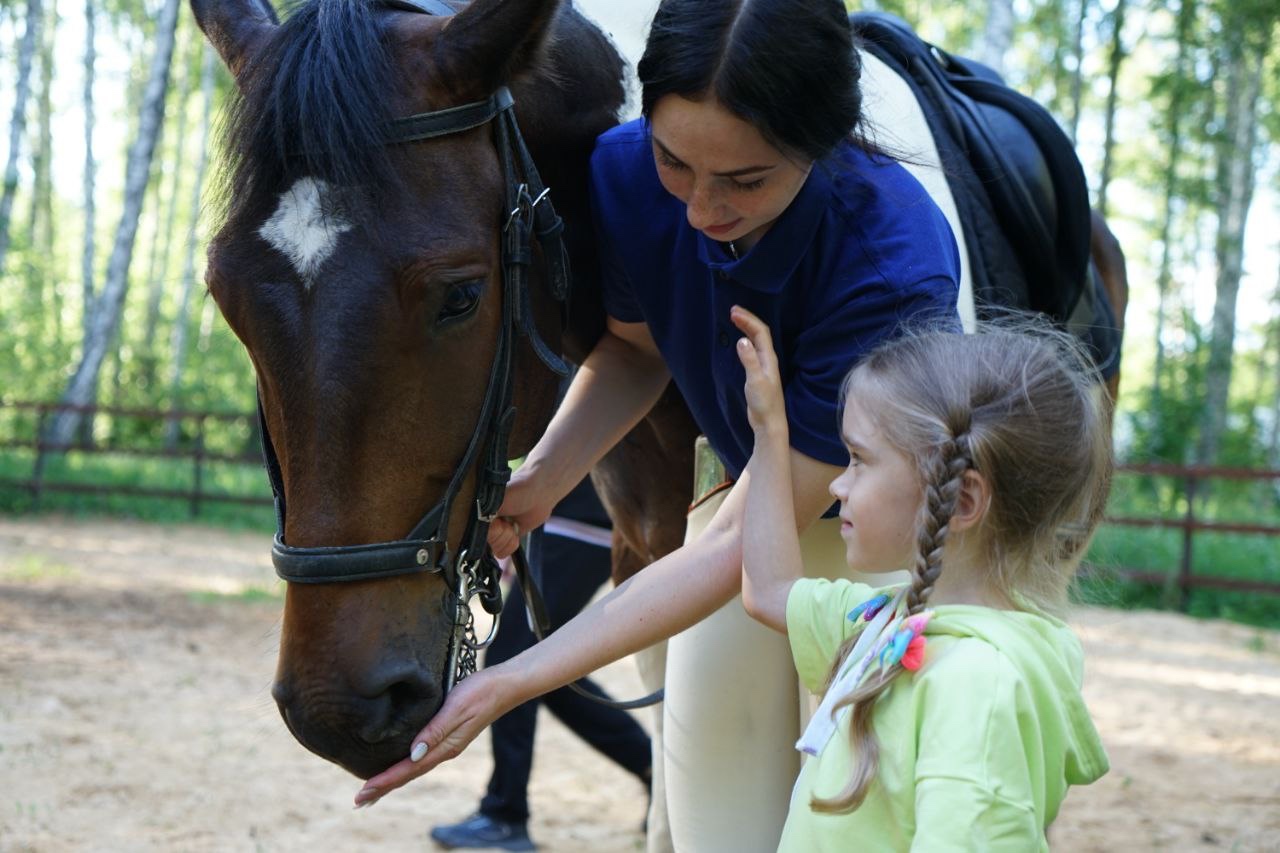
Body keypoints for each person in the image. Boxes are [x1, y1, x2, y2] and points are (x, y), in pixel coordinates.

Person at [356, 1, 962, 849]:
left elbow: (728, 551)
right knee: (712, 826)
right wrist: (543, 481)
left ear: (819, 143)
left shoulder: (890, 258)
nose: (703, 210)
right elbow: (638, 354)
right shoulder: (624, 174)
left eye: (746, 180)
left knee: (854, 826)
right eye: (677, 161)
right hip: (750, 515)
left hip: (881, 546)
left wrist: (511, 680)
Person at [734, 306, 1112, 850]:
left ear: (961, 499)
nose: (839, 485)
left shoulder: (979, 684)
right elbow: (769, 591)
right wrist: (770, 429)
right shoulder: (891, 622)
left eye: (860, 460)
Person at [429, 477, 652, 852]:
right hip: (564, 516)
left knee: (513, 661)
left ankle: (505, 815)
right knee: (546, 672)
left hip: (582, 517)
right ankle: (653, 767)